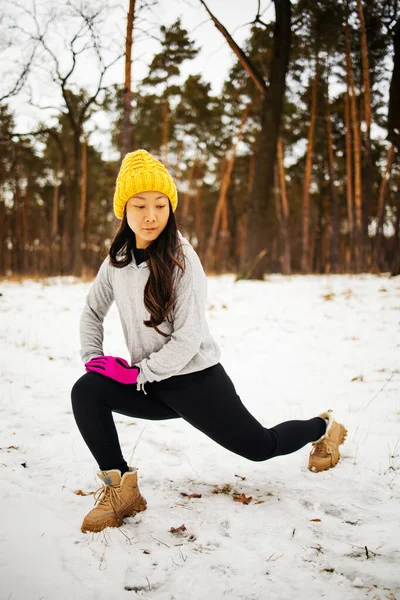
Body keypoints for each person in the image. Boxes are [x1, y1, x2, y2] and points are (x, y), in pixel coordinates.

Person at [71, 149, 347, 534]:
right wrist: (94, 359)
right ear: (124, 210)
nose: (151, 215)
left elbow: (188, 339)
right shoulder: (118, 257)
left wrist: (137, 374)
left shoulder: (183, 257)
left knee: (259, 447)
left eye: (160, 204)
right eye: (139, 205)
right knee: (87, 390)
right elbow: (91, 310)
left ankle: (323, 427)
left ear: (170, 207)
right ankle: (121, 489)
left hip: (194, 381)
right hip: (151, 384)